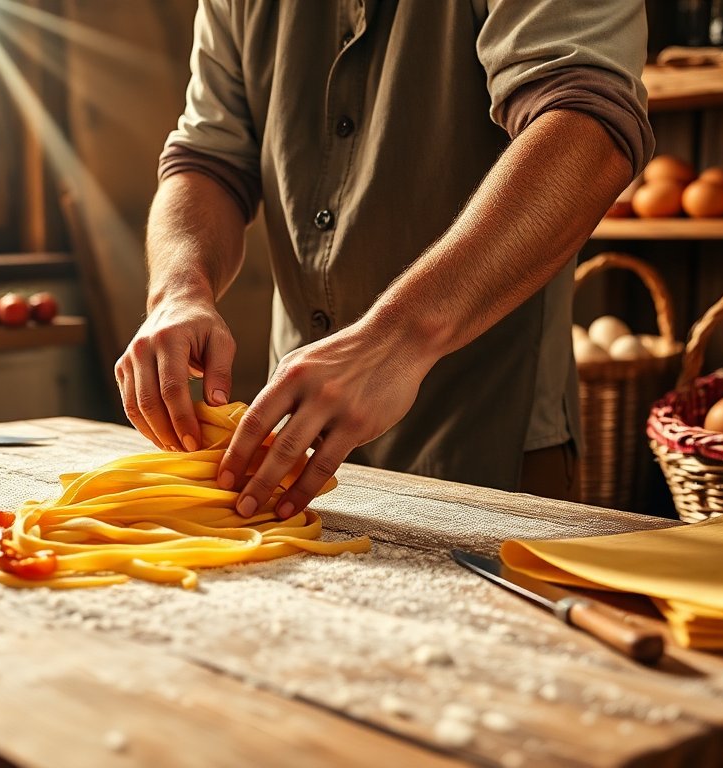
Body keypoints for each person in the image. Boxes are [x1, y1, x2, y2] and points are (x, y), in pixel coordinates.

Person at [115, 1, 652, 518]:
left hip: (489, 439)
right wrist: (177, 291)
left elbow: (589, 127)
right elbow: (209, 156)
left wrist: (397, 338)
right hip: (293, 446)